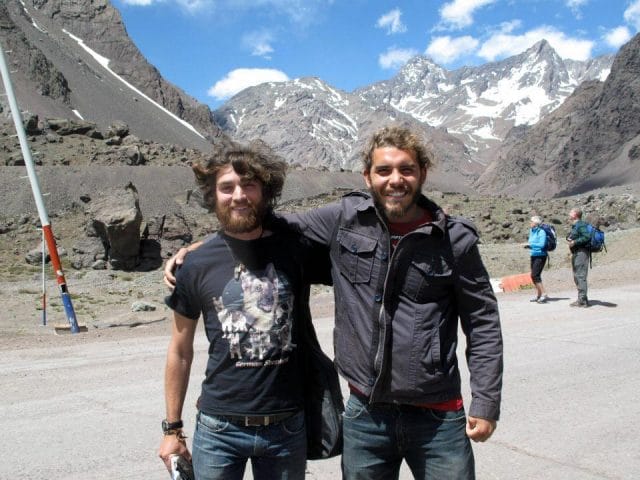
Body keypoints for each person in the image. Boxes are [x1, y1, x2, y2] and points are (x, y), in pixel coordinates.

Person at [165, 125, 504, 479]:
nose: (395, 179)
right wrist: (201, 248)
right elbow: (257, 222)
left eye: (406, 169)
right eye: (384, 170)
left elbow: (482, 321)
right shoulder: (343, 218)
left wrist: (485, 400)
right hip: (365, 412)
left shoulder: (453, 239)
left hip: (438, 415)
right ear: (367, 176)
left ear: (422, 173)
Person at [158, 140, 330, 480]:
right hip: (219, 429)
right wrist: (172, 429)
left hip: (286, 427)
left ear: (264, 192)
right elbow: (179, 351)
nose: (238, 195)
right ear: (213, 195)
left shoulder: (295, 249)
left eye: (249, 184)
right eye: (227, 187)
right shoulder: (196, 265)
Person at [567, 207, 591, 307]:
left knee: (580, 276)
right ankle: (582, 298)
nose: (569, 213)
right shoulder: (575, 225)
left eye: (571, 211)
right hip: (576, 253)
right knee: (577, 276)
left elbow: (587, 236)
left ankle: (582, 300)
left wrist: (575, 242)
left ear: (576, 214)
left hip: (581, 253)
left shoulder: (580, 224)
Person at [525, 215, 549, 303]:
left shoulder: (541, 232)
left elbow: (542, 245)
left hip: (541, 255)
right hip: (533, 254)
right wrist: (528, 245)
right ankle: (539, 295)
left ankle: (544, 294)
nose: (530, 223)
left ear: (535, 223)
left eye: (531, 221)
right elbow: (531, 241)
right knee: (534, 275)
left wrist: (531, 246)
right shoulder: (531, 231)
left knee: (535, 275)